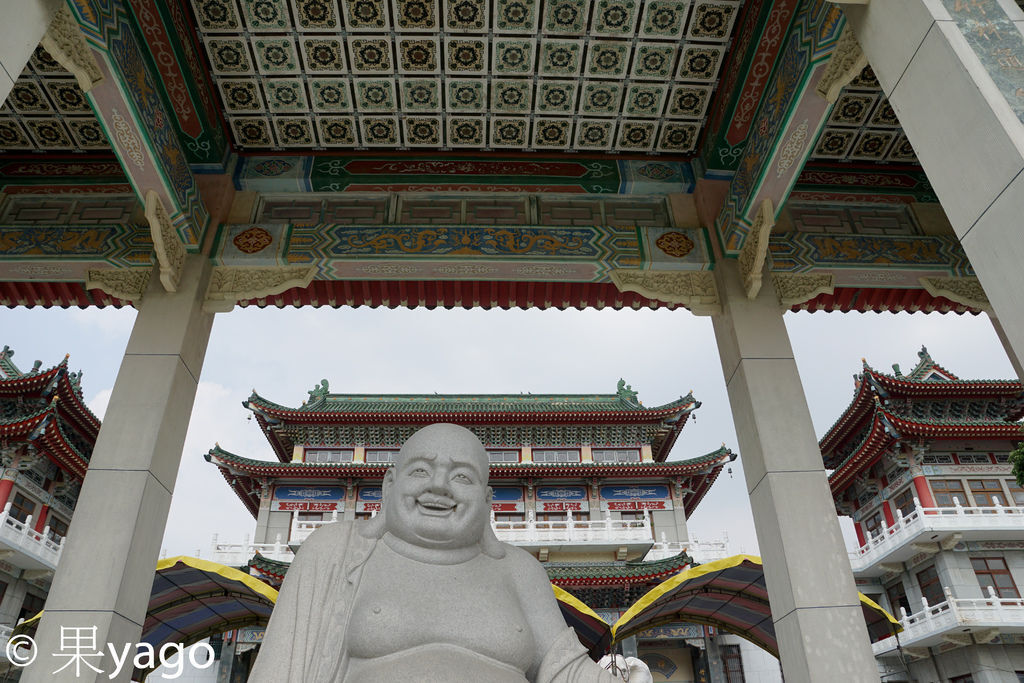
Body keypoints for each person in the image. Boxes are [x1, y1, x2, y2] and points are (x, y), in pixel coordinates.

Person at [249, 423, 623, 682]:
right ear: (389, 484)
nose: (439, 486)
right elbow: (279, 669)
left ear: (487, 500)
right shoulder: (334, 553)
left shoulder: (520, 570)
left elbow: (564, 670)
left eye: (462, 476)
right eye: (420, 471)